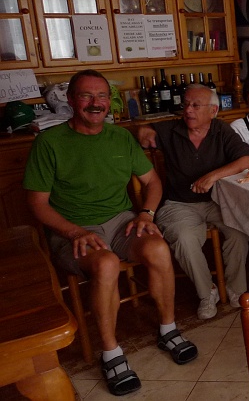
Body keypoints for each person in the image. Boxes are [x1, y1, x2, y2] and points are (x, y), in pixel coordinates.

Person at [24, 70, 197, 396]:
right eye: (87, 96)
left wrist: (146, 213)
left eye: (102, 96)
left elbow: (152, 182)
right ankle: (111, 352)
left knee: (158, 248)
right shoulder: (50, 143)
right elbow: (37, 203)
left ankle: (168, 329)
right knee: (105, 264)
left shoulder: (120, 138)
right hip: (72, 228)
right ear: (72, 101)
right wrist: (74, 232)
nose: (96, 103)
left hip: (121, 222)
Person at [137, 84, 249, 320]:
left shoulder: (221, 130)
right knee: (185, 238)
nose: (188, 110)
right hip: (178, 203)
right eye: (186, 104)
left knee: (239, 230)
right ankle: (206, 292)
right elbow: (143, 129)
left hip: (216, 201)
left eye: (195, 105)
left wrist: (213, 176)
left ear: (212, 111)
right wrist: (144, 130)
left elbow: (246, 160)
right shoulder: (172, 129)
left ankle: (235, 289)